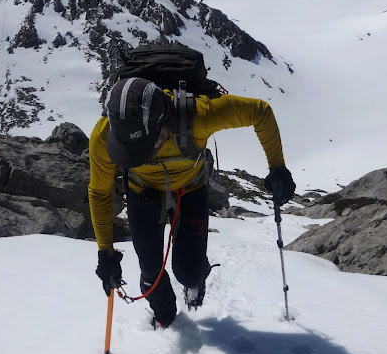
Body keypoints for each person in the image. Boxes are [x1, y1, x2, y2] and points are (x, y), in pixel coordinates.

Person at [88, 76, 295, 328]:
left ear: (164, 123)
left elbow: (260, 112)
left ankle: (196, 279)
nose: (136, 156)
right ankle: (166, 320)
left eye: (144, 147)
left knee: (190, 272)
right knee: (150, 275)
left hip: (191, 187)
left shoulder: (198, 115)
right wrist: (105, 252)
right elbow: (99, 193)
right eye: (128, 150)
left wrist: (278, 167)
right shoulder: (104, 135)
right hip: (142, 191)